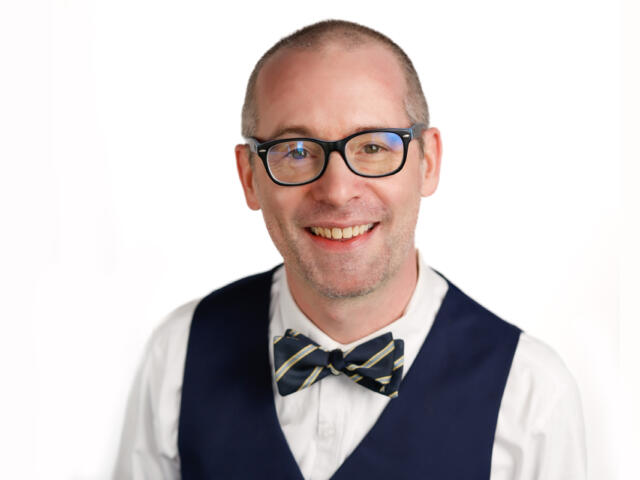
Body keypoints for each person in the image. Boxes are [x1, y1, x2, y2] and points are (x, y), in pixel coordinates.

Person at [113, 19, 587, 479]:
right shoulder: (178, 354)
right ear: (249, 176)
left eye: (373, 147)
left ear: (428, 162)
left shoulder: (530, 395)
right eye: (297, 151)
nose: (338, 192)